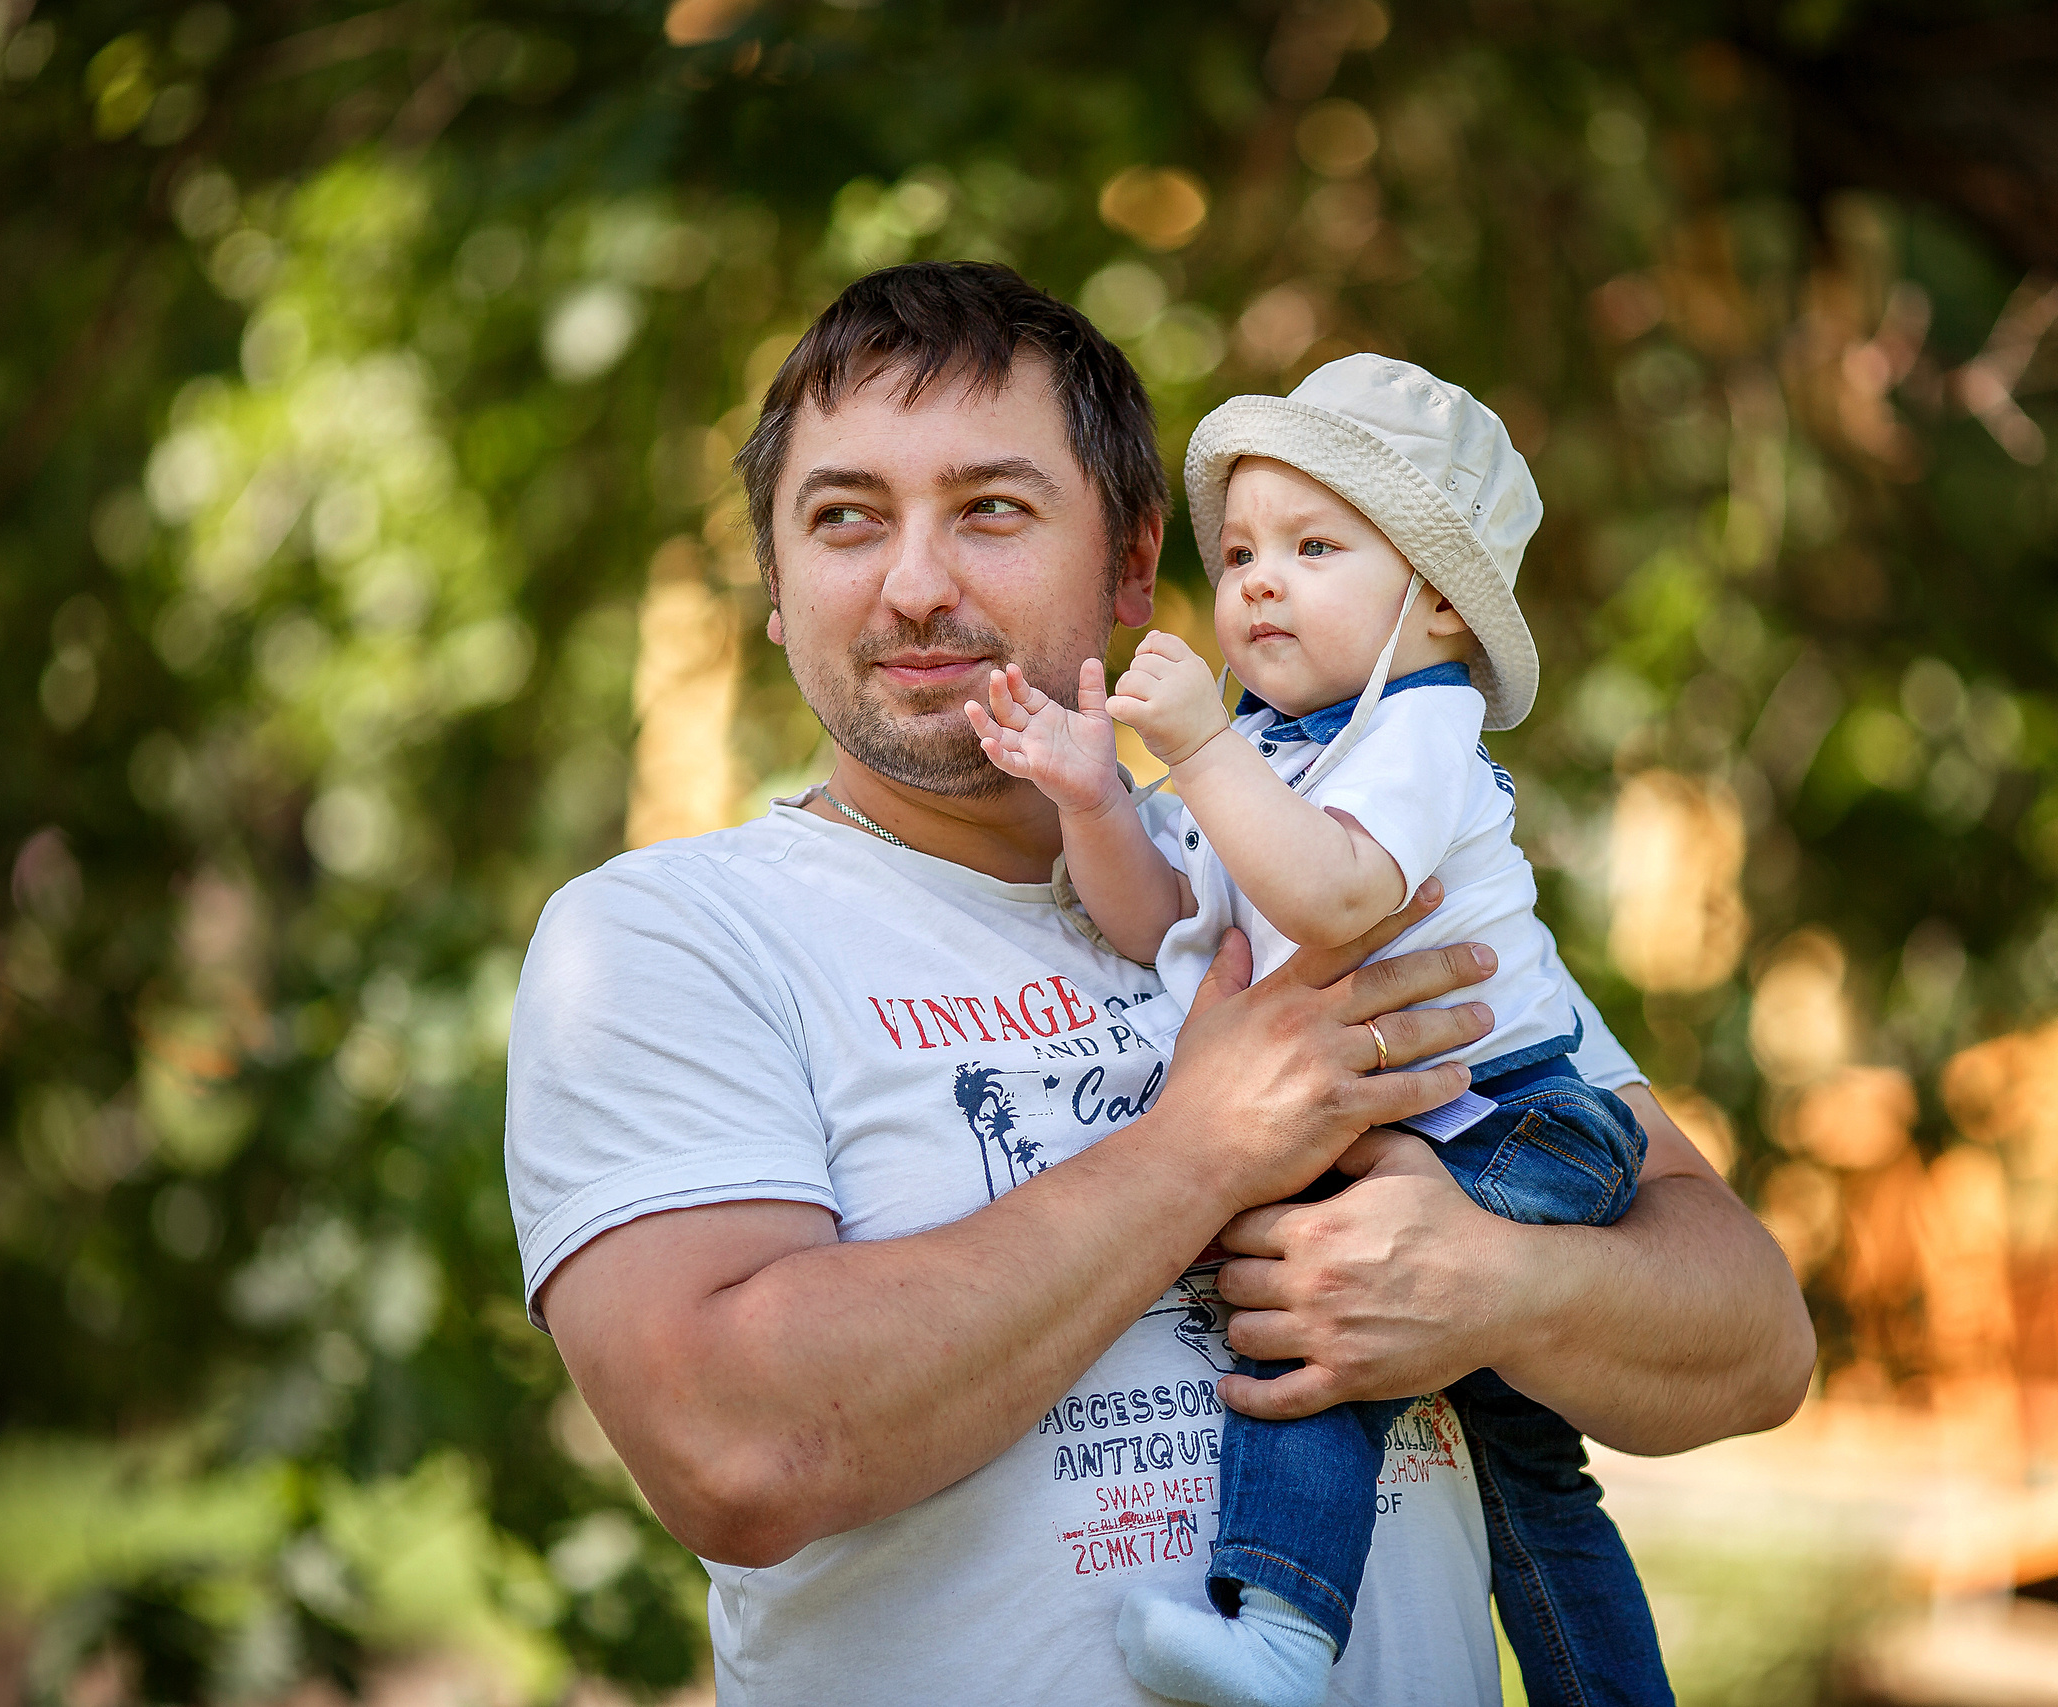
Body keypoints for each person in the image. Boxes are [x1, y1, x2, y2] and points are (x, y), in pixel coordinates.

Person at [504, 261, 1813, 1707]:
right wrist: (1202, 1149)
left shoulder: (1299, 850)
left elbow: (1754, 1341)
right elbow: (734, 1451)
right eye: (844, 518)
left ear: (1133, 567)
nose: (917, 583)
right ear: (775, 582)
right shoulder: (667, 938)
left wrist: (1491, 1289)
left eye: (991, 510)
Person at [964, 352, 1667, 1707]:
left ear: (1445, 609)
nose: (1259, 581)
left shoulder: (1419, 724)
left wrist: (1201, 757)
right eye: (1236, 555)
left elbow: (1341, 894)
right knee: (1532, 1480)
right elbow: (1167, 919)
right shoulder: (1270, 750)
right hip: (1437, 1123)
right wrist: (1099, 802)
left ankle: (1282, 1628)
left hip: (1511, 1115)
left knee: (1325, 1307)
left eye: (1314, 546)